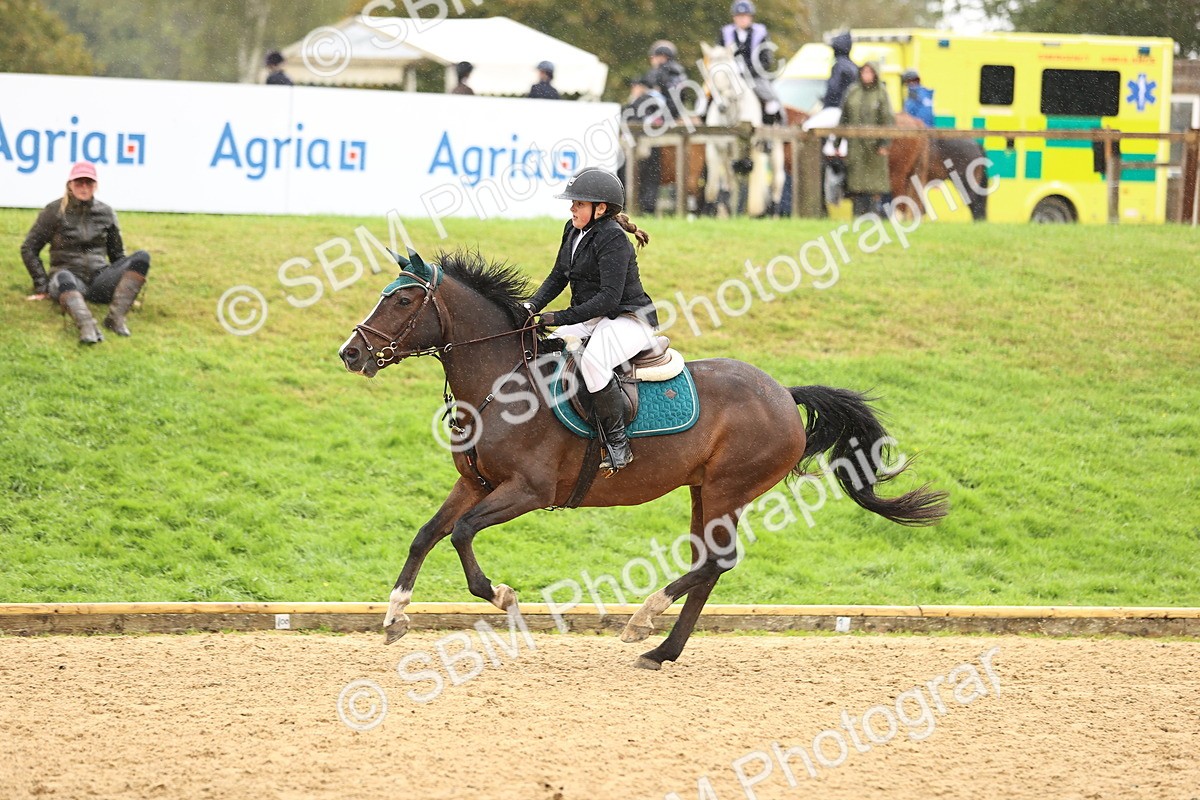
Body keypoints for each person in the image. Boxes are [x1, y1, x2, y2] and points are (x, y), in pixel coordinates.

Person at [524, 168, 657, 473]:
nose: (572, 208)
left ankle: (618, 444)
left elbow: (610, 298)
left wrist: (558, 317)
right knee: (544, 346)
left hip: (627, 318)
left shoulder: (613, 239)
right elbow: (558, 276)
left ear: (601, 209)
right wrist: (531, 307)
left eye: (579, 204)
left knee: (594, 362)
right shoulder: (572, 231)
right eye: (572, 203)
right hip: (593, 317)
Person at [20, 161, 152, 344]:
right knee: (63, 275)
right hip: (68, 280)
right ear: (70, 184)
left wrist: (124, 290)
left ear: (95, 186)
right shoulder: (54, 210)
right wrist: (42, 286)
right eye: (79, 182)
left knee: (142, 257)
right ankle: (87, 326)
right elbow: (29, 248)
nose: (83, 187)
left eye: (88, 182)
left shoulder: (106, 212)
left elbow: (117, 255)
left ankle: (115, 318)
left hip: (100, 281)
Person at [841, 62, 895, 217]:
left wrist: (884, 143)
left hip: (874, 147)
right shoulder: (853, 91)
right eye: (864, 72)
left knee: (874, 186)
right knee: (856, 185)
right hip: (855, 146)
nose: (866, 75)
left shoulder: (881, 93)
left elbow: (887, 119)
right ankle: (858, 217)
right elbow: (844, 116)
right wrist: (838, 141)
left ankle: (875, 216)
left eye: (869, 72)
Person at [718, 0, 781, 124]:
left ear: (750, 17)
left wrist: (749, 70)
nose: (742, 19)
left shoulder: (760, 32)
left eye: (745, 16)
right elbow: (718, 54)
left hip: (754, 76)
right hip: (730, 76)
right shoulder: (725, 32)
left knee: (772, 102)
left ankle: (769, 129)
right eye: (739, 16)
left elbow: (766, 60)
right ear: (734, 18)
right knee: (708, 97)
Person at [644, 41, 689, 123]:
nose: (652, 60)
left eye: (654, 57)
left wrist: (662, 118)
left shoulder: (666, 73)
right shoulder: (675, 71)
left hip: (664, 117)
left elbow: (673, 100)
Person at [820, 31, 858, 111]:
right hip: (849, 109)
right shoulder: (852, 65)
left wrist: (828, 105)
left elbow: (833, 89)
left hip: (837, 109)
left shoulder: (839, 65)